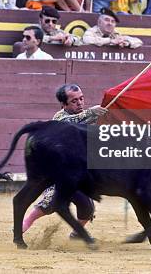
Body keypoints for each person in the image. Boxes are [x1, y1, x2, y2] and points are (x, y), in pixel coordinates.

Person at [21, 83, 107, 238]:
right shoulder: (59, 117)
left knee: (87, 207)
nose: (80, 103)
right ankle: (23, 225)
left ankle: (77, 233)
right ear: (63, 104)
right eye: (74, 101)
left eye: (81, 98)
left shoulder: (90, 118)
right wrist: (90, 112)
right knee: (51, 202)